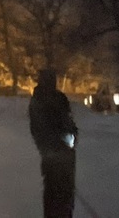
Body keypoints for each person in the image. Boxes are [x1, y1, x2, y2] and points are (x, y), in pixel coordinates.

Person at [29, 69, 78, 218]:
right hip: (51, 154)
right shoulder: (38, 100)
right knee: (53, 190)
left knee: (67, 191)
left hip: (66, 153)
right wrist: (50, 146)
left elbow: (69, 121)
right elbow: (38, 129)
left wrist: (72, 138)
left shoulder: (60, 98)